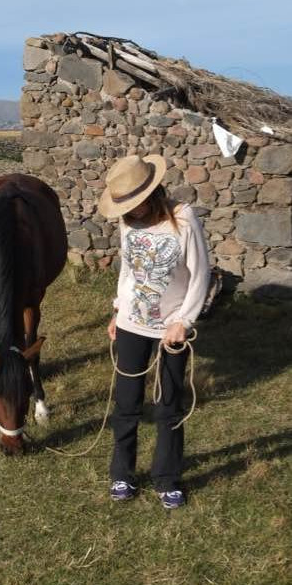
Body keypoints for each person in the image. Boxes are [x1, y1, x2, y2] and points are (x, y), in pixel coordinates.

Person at [98, 154, 211, 509]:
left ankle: (167, 478)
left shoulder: (183, 218)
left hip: (171, 329)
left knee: (169, 405)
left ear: (151, 192)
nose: (129, 212)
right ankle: (122, 474)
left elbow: (201, 273)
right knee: (126, 403)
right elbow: (128, 270)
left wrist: (184, 321)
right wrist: (119, 308)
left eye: (133, 204)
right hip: (131, 325)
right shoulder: (127, 221)